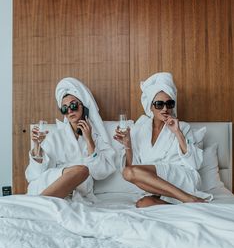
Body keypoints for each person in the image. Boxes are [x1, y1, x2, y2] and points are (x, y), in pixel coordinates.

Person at [114, 72, 212, 207]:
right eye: (159, 104)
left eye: (169, 103)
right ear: (151, 107)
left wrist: (177, 132)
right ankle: (184, 204)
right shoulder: (140, 129)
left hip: (181, 177)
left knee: (127, 172)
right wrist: (128, 145)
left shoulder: (183, 127)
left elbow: (194, 164)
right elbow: (133, 168)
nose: (165, 109)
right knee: (143, 203)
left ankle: (188, 198)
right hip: (158, 184)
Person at [25, 77, 116, 201]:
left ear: (83, 106)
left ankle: (40, 205)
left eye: (73, 105)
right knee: (82, 170)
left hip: (77, 194)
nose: (69, 111)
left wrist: (89, 140)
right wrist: (36, 147)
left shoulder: (97, 137)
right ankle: (39, 204)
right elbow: (33, 175)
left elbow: (101, 173)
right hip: (46, 185)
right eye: (64, 108)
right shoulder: (55, 135)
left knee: (83, 171)